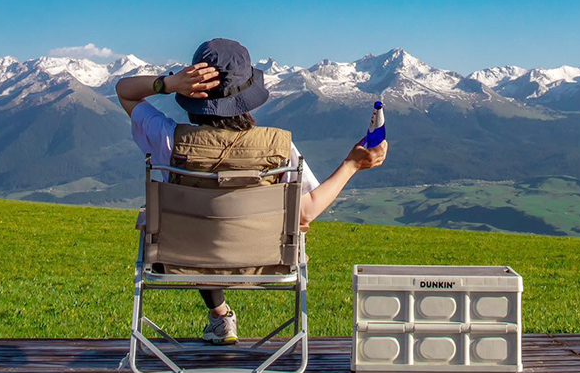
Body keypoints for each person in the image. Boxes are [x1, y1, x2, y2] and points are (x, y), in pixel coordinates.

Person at [116, 38, 388, 345]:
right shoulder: (279, 146)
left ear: (192, 93)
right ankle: (227, 321)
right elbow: (307, 211)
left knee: (206, 231)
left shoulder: (168, 139)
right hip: (267, 259)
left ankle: (220, 316)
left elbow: (124, 92)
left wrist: (169, 83)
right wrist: (352, 164)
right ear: (249, 96)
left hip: (182, 256)